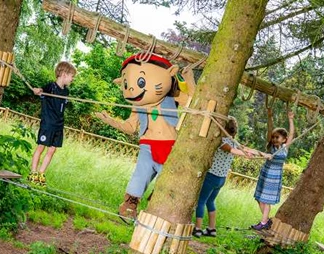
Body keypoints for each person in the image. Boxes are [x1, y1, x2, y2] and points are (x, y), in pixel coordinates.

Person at [95, 53, 194, 222]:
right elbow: (131, 127)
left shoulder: (173, 97)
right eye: (126, 84)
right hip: (146, 145)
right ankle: (129, 207)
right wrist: (110, 121)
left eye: (140, 82)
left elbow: (194, 101)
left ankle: (157, 210)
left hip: (170, 146)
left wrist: (189, 80)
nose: (132, 88)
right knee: (140, 175)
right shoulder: (137, 105)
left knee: (168, 181)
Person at [193, 117, 261, 238]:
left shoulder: (221, 141)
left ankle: (197, 229)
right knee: (210, 201)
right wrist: (252, 153)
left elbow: (231, 150)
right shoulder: (234, 141)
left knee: (201, 201)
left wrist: (247, 154)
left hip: (212, 176)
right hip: (221, 179)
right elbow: (241, 149)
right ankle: (211, 229)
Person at [27, 61, 77, 186]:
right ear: (64, 74)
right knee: (41, 147)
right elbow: (41, 90)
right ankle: (33, 172)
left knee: (52, 150)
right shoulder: (51, 86)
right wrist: (37, 91)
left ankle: (41, 173)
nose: (73, 79)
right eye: (72, 76)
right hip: (48, 123)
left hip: (58, 125)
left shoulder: (66, 92)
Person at [251, 110, 295, 231]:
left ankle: (264, 222)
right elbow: (270, 131)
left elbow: (291, 134)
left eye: (278, 137)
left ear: (284, 140)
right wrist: (270, 116)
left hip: (274, 176)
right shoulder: (271, 146)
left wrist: (290, 119)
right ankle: (266, 221)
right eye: (273, 137)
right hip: (265, 173)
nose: (275, 139)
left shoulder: (284, 148)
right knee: (259, 198)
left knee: (266, 201)